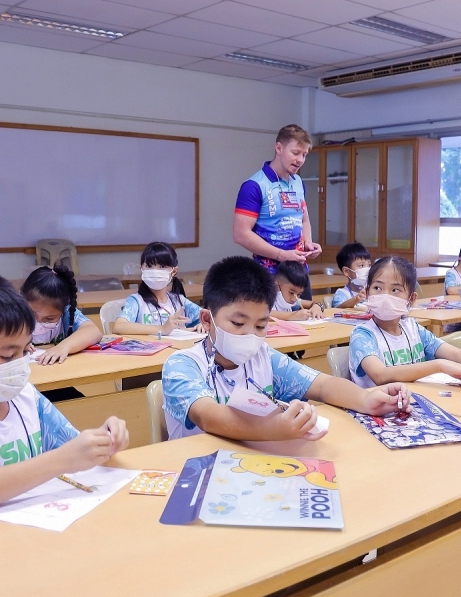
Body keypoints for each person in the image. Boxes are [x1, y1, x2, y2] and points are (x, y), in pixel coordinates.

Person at [0, 268, 128, 516]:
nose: (21, 363)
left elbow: (76, 449)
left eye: (25, 351)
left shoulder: (28, 398)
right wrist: (62, 460)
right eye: (8, 355)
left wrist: (104, 440)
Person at [161, 256, 408, 442]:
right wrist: (273, 428)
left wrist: (365, 399)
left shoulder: (263, 357)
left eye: (260, 325)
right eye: (237, 323)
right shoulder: (182, 365)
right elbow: (207, 416)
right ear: (207, 320)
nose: (250, 334)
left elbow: (322, 385)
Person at [349, 256, 461, 387]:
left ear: (411, 299)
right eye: (377, 288)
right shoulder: (363, 335)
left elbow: (455, 354)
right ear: (367, 292)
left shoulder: (412, 328)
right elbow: (380, 375)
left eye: (395, 290)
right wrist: (438, 365)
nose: (385, 295)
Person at [232, 125, 321, 300]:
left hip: (299, 274)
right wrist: (281, 255)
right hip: (269, 275)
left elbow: (304, 220)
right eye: (295, 153)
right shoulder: (254, 186)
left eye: (304, 155)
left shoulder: (298, 182)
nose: (300, 160)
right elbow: (240, 234)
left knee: (307, 316)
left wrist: (308, 244)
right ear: (279, 148)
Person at [112, 241, 203, 336]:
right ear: (141, 269)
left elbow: (208, 317)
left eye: (162, 266)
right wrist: (162, 329)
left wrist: (203, 324)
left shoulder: (179, 301)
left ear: (174, 271)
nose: (154, 271)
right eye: (149, 266)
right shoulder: (136, 301)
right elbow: (118, 327)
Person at [21, 264, 102, 365]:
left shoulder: (67, 314)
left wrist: (64, 346)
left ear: (63, 309)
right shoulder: (16, 313)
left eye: (49, 318)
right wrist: (15, 345)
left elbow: (94, 331)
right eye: (32, 315)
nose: (39, 322)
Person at [332, 242, 371, 309]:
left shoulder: (372, 290)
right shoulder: (342, 293)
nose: (367, 269)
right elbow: (337, 309)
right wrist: (356, 299)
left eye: (369, 265)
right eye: (361, 265)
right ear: (346, 271)